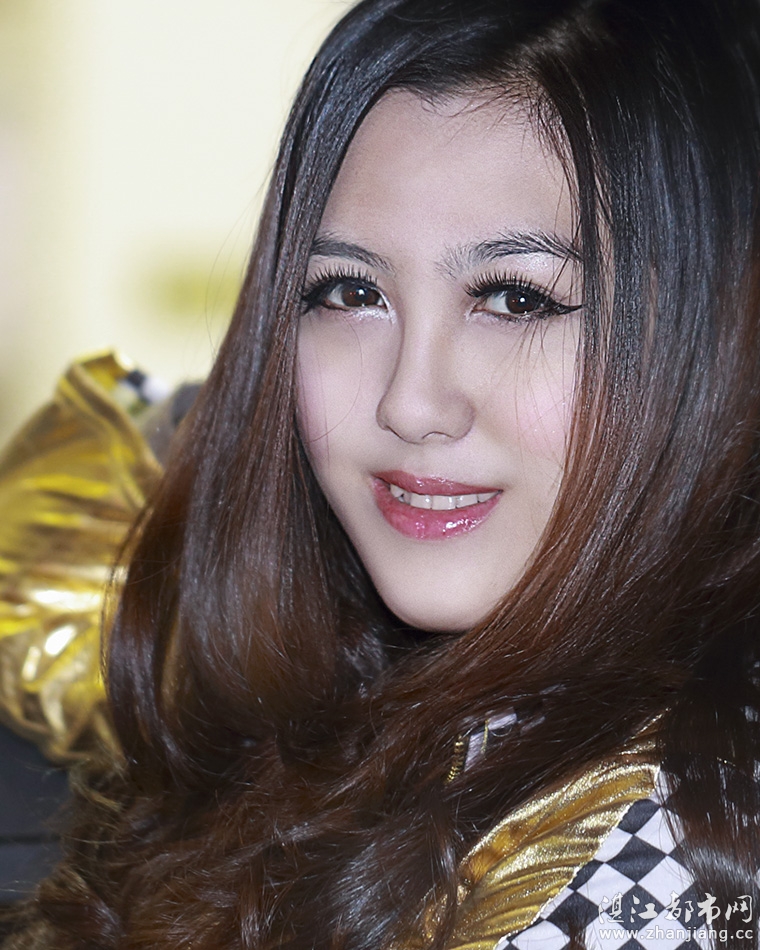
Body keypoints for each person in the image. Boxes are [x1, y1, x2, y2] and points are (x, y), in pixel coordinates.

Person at [4, 0, 760, 947]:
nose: (410, 402)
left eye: (517, 299)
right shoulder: (237, 668)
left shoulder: (670, 850)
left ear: (712, 334)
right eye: (351, 292)